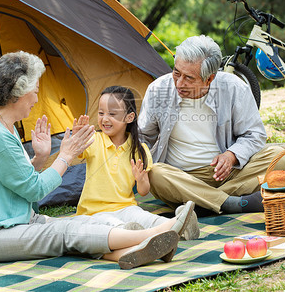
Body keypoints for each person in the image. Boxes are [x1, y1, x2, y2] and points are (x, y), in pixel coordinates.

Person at [0, 51, 192, 270]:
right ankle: (159, 231)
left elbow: (18, 181)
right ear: (20, 93)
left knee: (79, 227)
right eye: (36, 90)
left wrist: (41, 158)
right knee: (65, 233)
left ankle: (131, 252)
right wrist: (64, 156)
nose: (37, 97)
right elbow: (34, 190)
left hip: (14, 219)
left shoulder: (2, 124)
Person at [138, 35, 285, 214]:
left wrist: (231, 155)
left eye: (189, 78)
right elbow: (143, 136)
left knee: (279, 156)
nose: (179, 83)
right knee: (155, 173)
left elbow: (254, 134)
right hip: (181, 178)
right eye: (176, 72)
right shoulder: (158, 90)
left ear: (209, 79)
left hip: (229, 174)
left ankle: (201, 203)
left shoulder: (234, 88)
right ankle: (230, 202)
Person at [73, 86, 199, 240]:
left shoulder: (139, 150)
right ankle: (133, 234)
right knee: (111, 224)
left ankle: (182, 226)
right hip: (94, 212)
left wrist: (140, 179)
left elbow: (144, 191)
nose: (105, 119)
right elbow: (76, 151)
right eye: (101, 113)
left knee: (147, 218)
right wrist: (77, 138)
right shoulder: (94, 140)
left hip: (126, 207)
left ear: (129, 117)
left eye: (112, 114)